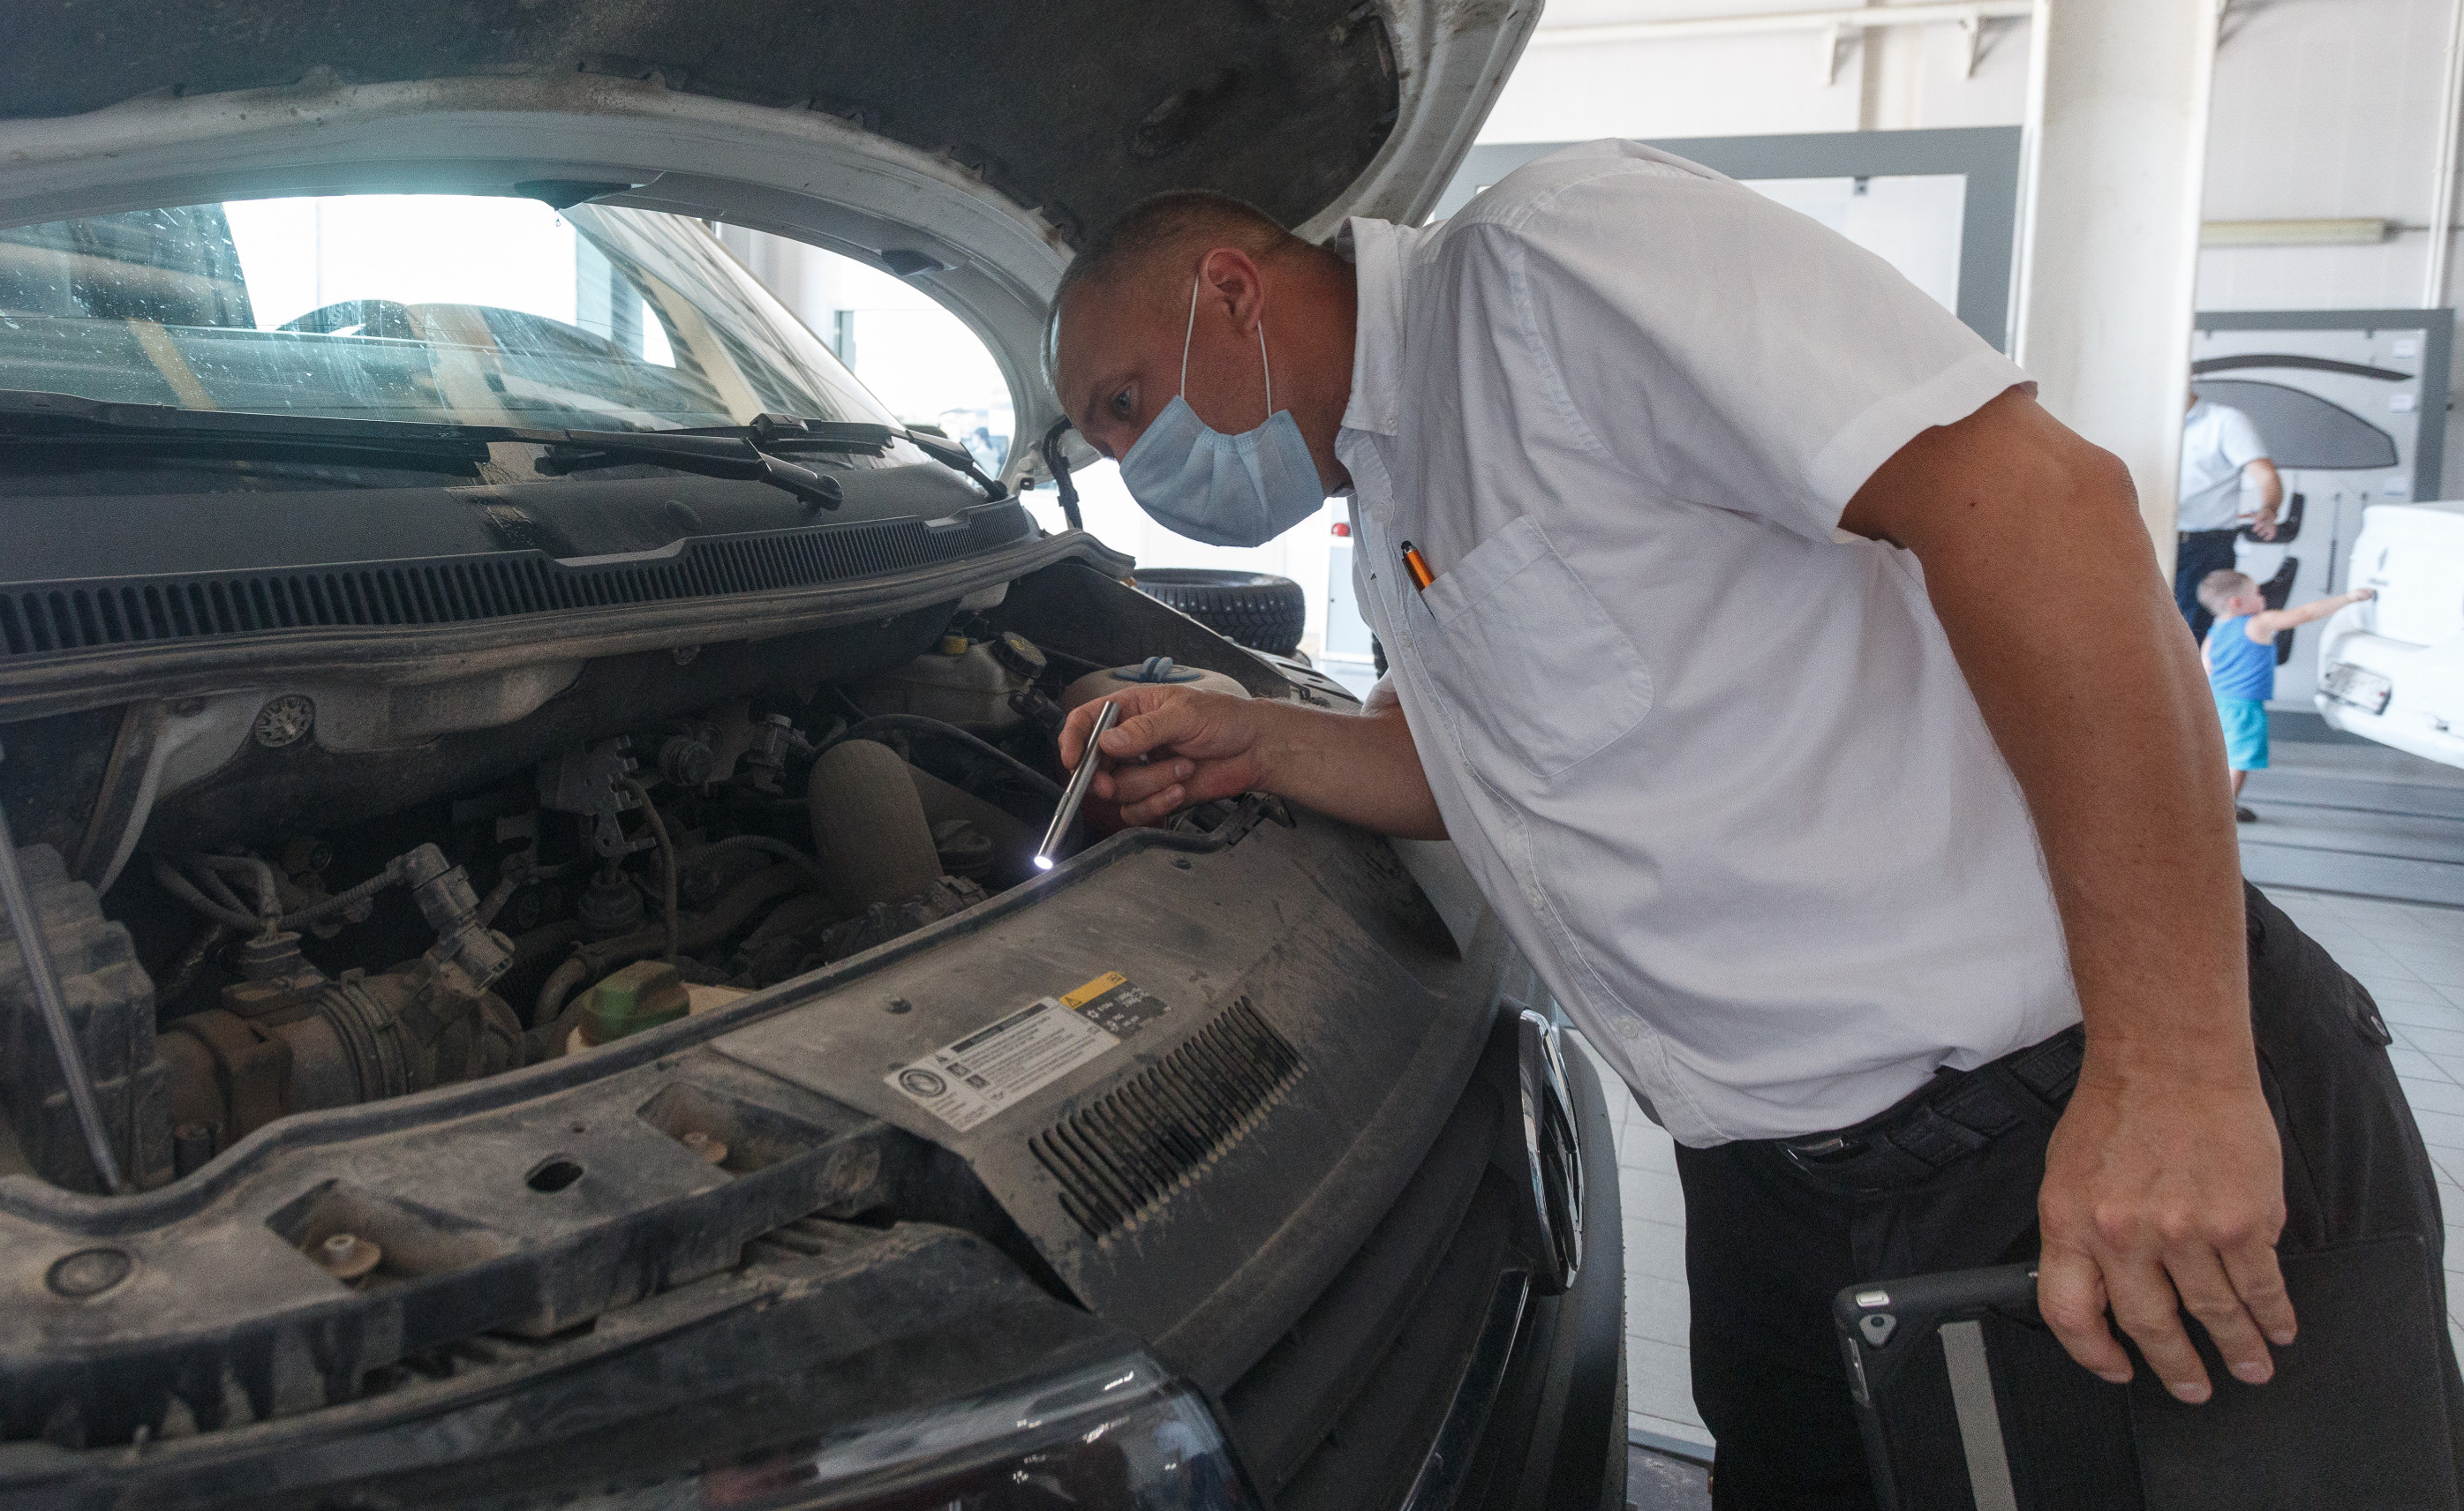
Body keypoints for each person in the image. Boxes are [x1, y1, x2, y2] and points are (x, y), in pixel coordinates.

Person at [1042, 147, 2456, 1507]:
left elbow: (2043, 510)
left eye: (1122, 403)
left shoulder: (1552, 268)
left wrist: (2178, 1076)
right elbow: (1511, 771)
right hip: (1779, 1202)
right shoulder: (1398, 479)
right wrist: (1263, 741)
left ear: (1229, 289)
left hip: (2067, 1123)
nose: (1125, 461)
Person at [2197, 569, 2374, 822]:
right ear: (2236, 603)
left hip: (2216, 703)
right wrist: (2349, 598)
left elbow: (2206, 667)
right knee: (2239, 760)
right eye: (2257, 593)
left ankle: (2210, 802)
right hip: (2244, 706)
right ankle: (2223, 811)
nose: (2263, 597)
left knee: (2220, 755)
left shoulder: (2215, 631)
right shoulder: (2258, 622)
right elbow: (2304, 615)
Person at [2177, 390, 2284, 639]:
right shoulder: (2150, 422)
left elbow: (2266, 474)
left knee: (2194, 634)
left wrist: (2269, 508)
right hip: (2150, 540)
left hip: (2204, 548)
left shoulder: (2224, 421)